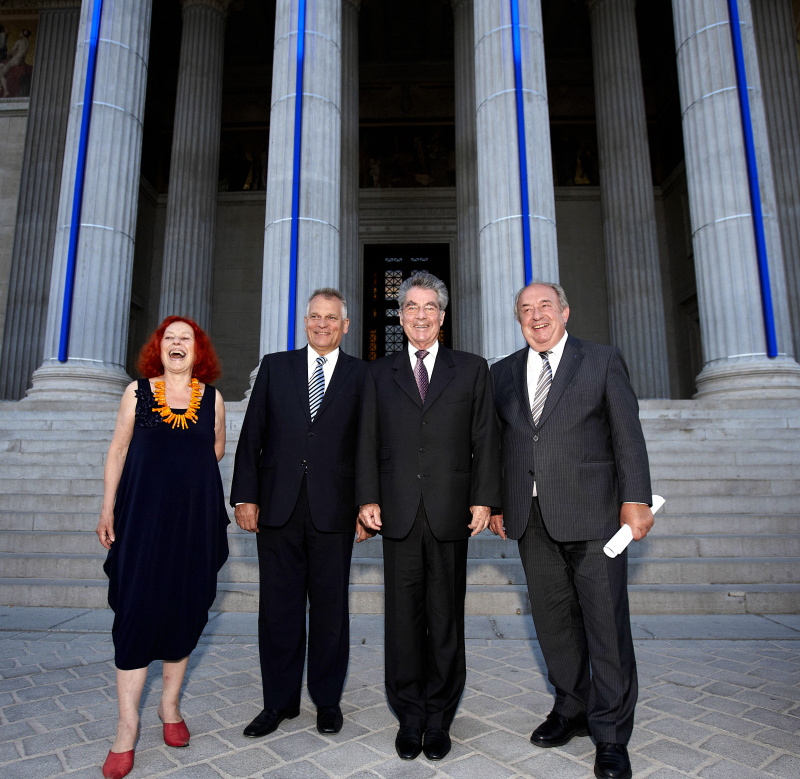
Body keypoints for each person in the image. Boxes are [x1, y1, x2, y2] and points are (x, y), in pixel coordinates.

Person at [490, 282, 654, 779]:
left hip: (595, 517)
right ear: (517, 318)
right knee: (553, 623)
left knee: (605, 627)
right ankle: (571, 707)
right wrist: (497, 502)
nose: (537, 317)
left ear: (565, 309)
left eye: (545, 307)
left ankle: (610, 733)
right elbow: (498, 444)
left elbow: (628, 433)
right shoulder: (501, 373)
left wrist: (636, 498)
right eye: (526, 310)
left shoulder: (601, 360)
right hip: (529, 518)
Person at [356, 271, 500, 762]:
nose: (421, 315)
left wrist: (484, 499)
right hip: (396, 512)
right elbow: (367, 441)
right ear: (401, 316)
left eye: (429, 307)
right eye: (411, 307)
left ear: (443, 315)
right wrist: (366, 497)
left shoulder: (472, 368)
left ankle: (439, 718)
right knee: (401, 622)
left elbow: (486, 438)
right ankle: (409, 717)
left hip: (449, 513)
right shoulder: (379, 372)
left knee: (445, 620)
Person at [96, 316, 229, 779]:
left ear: (198, 351)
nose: (177, 344)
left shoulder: (213, 400)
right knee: (134, 612)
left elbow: (214, 450)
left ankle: (169, 708)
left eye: (185, 339)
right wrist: (108, 507)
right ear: (159, 348)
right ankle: (126, 725)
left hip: (192, 525)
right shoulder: (136, 392)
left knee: (185, 609)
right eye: (169, 338)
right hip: (141, 520)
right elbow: (117, 449)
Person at [231, 288, 367, 739]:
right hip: (277, 506)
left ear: (345, 325)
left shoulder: (361, 375)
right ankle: (279, 703)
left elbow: (368, 447)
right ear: (304, 322)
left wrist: (366, 507)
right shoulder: (275, 366)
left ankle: (327, 702)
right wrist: (244, 496)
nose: (322, 324)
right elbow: (253, 435)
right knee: (278, 610)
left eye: (331, 318)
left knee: (330, 611)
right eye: (315, 317)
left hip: (335, 510)